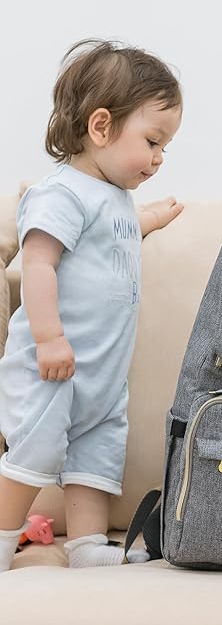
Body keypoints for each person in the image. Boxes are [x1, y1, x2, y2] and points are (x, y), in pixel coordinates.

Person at [0, 39, 183, 572]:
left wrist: (152, 219)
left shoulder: (117, 198)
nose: (159, 158)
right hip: (51, 365)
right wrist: (50, 337)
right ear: (101, 126)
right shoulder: (60, 193)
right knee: (33, 453)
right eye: (153, 141)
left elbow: (116, 235)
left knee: (96, 456)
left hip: (101, 371)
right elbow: (38, 264)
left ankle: (85, 546)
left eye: (165, 147)